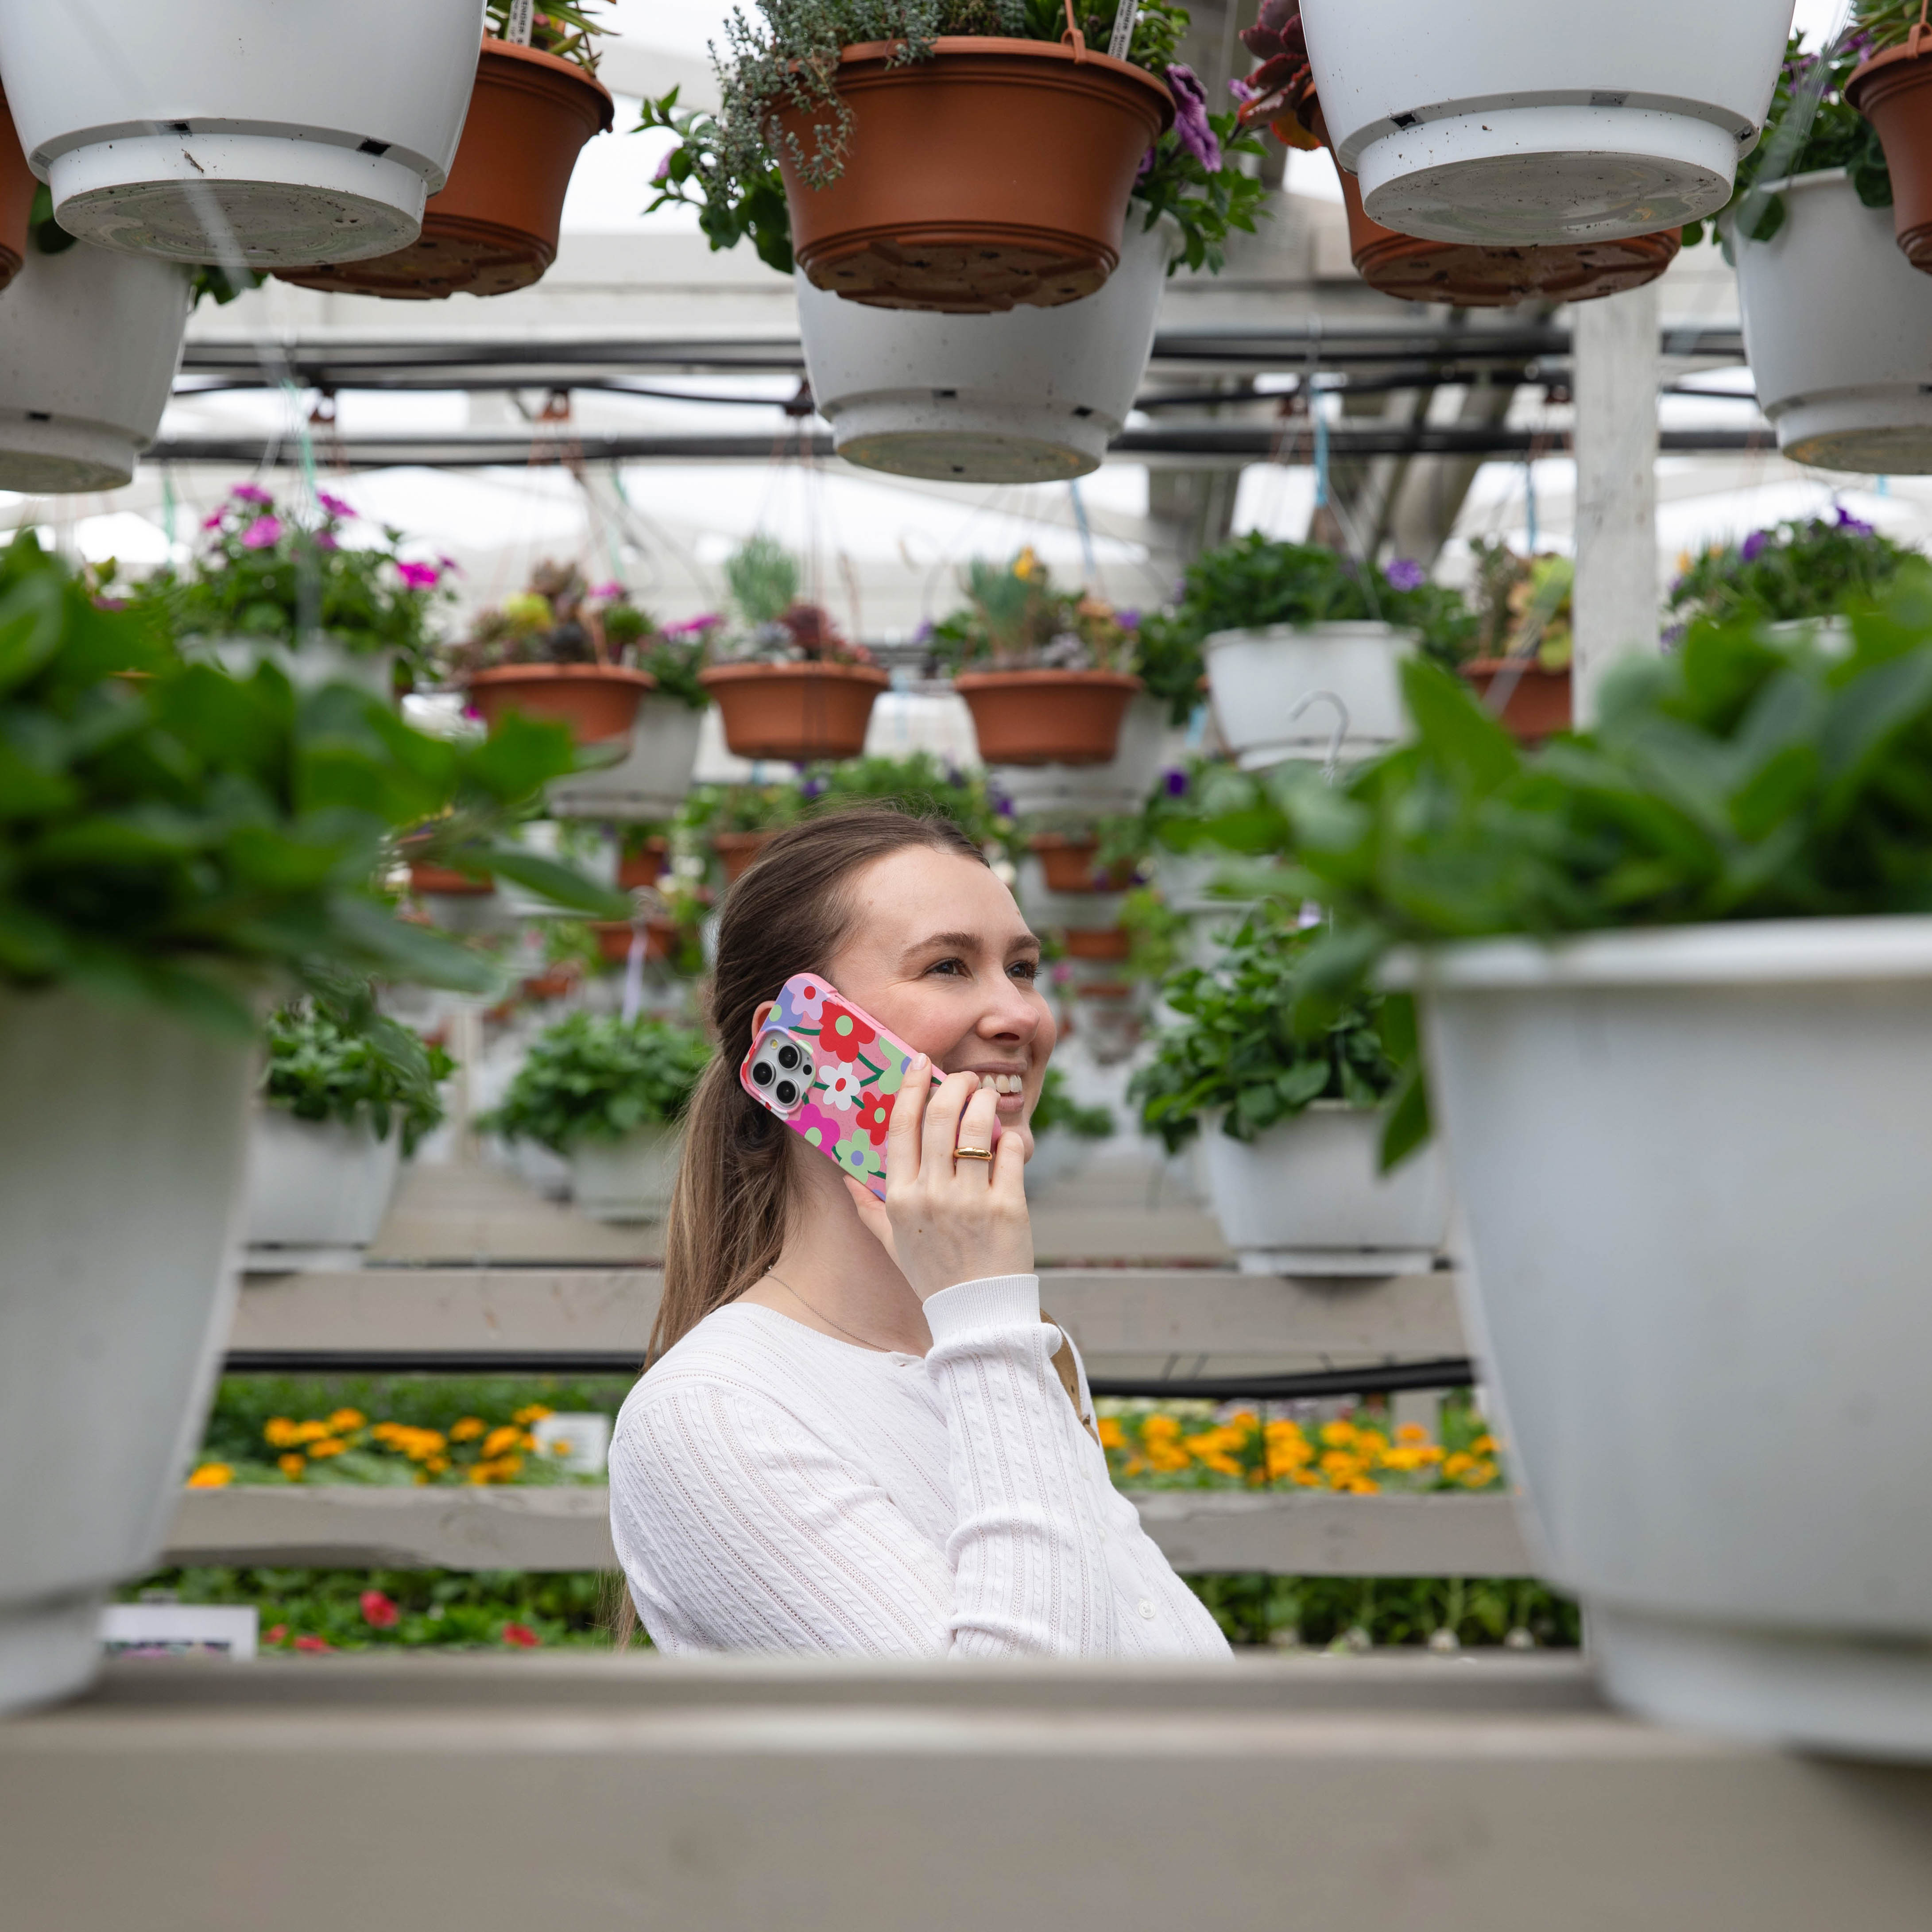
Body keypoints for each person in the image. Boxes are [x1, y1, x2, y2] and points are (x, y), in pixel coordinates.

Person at [608, 807, 1231, 1658]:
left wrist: (986, 1326)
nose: (1020, 1015)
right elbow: (1026, 1726)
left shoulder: (1004, 1347)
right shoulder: (709, 1415)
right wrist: (985, 1317)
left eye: (1023, 968)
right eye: (947, 966)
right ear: (797, 1041)